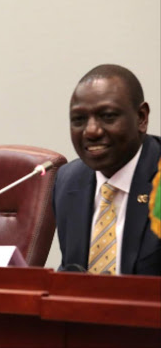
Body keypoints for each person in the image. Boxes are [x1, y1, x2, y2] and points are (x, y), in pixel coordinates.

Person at [54, 64, 161, 276]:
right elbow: (71, 272)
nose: (91, 131)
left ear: (141, 118)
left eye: (108, 116)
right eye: (79, 119)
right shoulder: (67, 181)